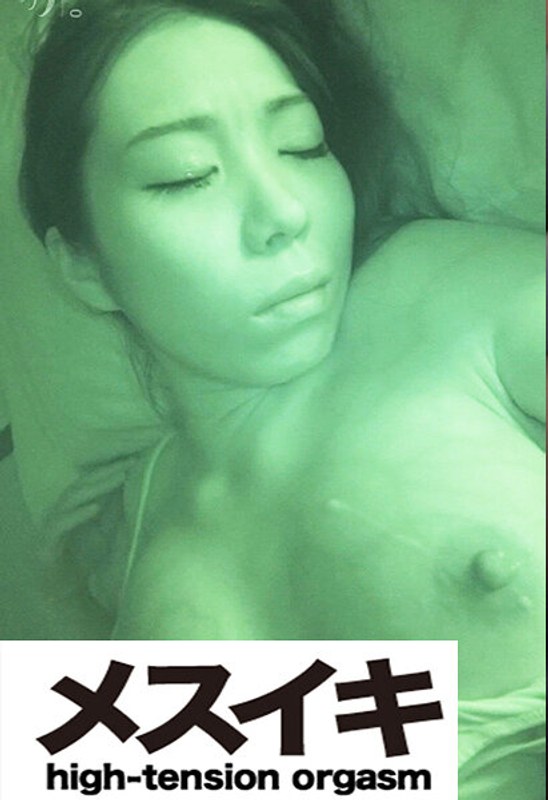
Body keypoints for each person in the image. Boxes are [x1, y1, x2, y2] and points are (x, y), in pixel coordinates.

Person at [18, 1, 545, 796]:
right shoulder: (126, 536)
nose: (285, 213)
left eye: (303, 145)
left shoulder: (459, 294)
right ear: (85, 267)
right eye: (185, 175)